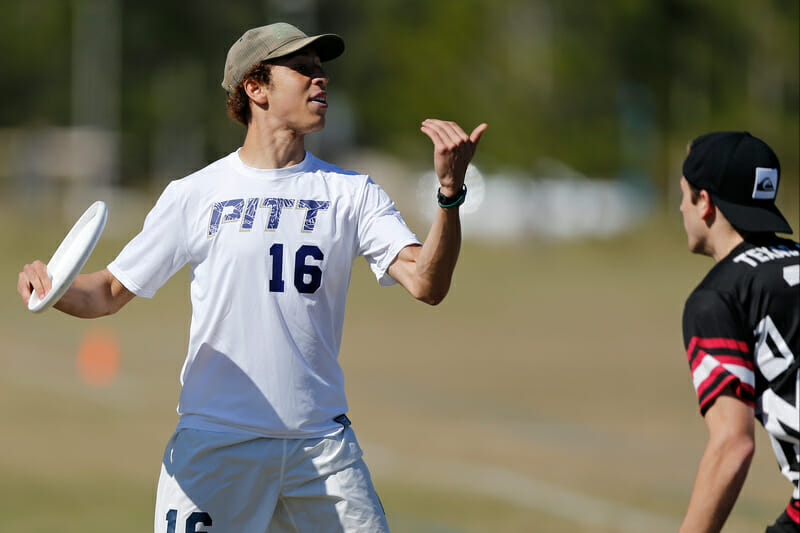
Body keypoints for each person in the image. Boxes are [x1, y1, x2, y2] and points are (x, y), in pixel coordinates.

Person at [17, 22, 487, 532]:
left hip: (321, 449)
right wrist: (54, 285)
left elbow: (427, 283)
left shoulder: (354, 193)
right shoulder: (195, 194)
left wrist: (449, 195)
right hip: (217, 445)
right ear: (255, 88)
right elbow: (107, 292)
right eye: (303, 71)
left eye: (321, 71)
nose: (320, 81)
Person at [677, 131, 799, 533]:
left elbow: (733, 443)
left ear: (705, 203)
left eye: (684, 194)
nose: (680, 207)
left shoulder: (719, 297)